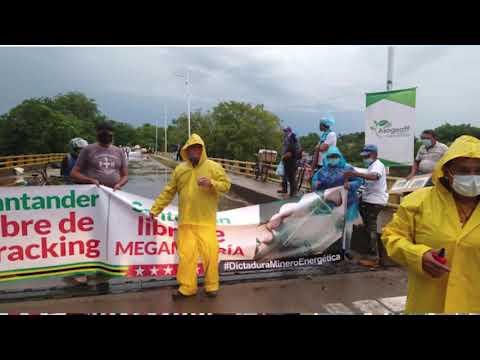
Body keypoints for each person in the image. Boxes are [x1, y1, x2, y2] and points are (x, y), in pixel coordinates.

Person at [382, 135, 480, 313]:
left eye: (479, 171)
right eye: (463, 171)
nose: (472, 177)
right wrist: (419, 255)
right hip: (428, 304)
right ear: (447, 171)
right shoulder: (418, 201)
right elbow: (392, 236)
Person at [149, 134, 231, 300]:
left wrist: (212, 183)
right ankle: (187, 287)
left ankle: (211, 286)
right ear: (186, 151)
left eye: (198, 148)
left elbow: (226, 185)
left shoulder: (214, 167)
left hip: (206, 221)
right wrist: (155, 209)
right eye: (191, 148)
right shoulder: (180, 169)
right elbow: (169, 191)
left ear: (203, 149)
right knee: (187, 257)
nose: (195, 151)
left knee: (210, 255)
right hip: (186, 222)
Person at [69, 121, 129, 291]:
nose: (106, 134)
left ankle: (103, 271)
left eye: (109, 132)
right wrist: (90, 180)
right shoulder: (88, 150)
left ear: (113, 134)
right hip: (90, 201)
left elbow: (125, 175)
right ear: (97, 133)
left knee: (107, 235)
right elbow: (74, 173)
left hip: (111, 200)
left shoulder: (118, 151)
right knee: (87, 235)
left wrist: (119, 184)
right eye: (103, 131)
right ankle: (83, 270)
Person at [311, 146, 364, 258]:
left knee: (347, 228)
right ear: (327, 157)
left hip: (348, 203)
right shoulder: (322, 171)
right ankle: (331, 249)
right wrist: (316, 184)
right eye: (330, 156)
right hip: (331, 204)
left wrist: (351, 185)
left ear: (340, 157)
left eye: (335, 156)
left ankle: (347, 250)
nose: (333, 158)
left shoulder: (348, 168)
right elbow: (314, 182)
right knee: (331, 228)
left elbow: (359, 180)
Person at [343, 144, 388, 268]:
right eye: (364, 156)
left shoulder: (378, 165)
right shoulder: (370, 166)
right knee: (368, 228)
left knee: (371, 230)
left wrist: (356, 174)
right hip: (369, 200)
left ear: (374, 155)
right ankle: (370, 254)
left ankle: (374, 258)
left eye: (367, 156)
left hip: (375, 201)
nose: (365, 158)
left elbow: (374, 177)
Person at [278, 127, 299, 197]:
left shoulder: (292, 143)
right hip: (289, 163)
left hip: (291, 163)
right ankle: (287, 190)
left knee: (291, 178)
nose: (284, 133)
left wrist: (283, 157)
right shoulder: (291, 142)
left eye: (286, 131)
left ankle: (293, 193)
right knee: (287, 177)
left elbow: (289, 154)